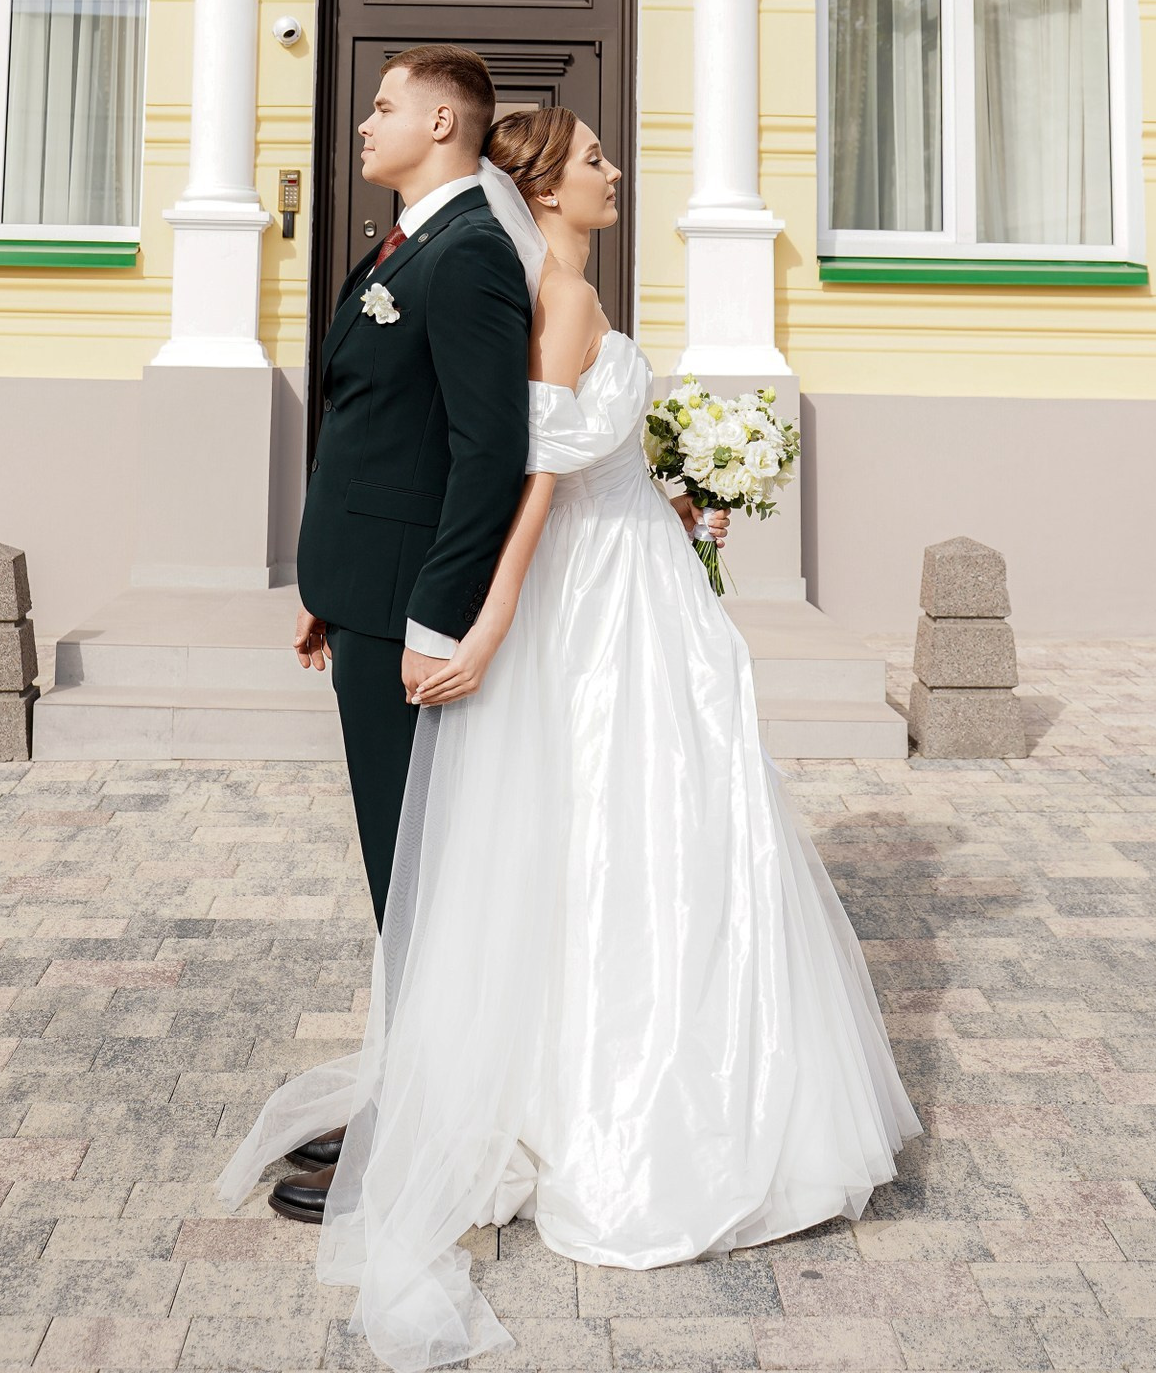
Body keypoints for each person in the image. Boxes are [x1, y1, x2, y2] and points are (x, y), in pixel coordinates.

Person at [223, 106, 920, 1371]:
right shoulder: (559, 295)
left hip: (635, 577)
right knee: (625, 833)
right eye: (595, 158)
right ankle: (575, 1111)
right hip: (597, 606)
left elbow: (584, 463)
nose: (613, 170)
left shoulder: (566, 288)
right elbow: (534, 475)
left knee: (638, 837)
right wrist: (486, 622)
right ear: (544, 184)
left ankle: (538, 1090)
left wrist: (678, 499)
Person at [269, 44, 532, 1227]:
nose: (363, 122)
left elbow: (487, 453)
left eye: (383, 106)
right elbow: (375, 426)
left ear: (440, 123)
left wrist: (433, 615)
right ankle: (413, 1092)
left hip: (409, 619)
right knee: (403, 870)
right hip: (363, 597)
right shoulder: (404, 243)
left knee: (417, 874)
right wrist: (330, 582)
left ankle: (431, 1134)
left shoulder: (468, 252)